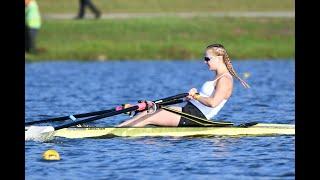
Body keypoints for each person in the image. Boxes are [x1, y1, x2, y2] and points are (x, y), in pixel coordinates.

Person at [117, 44, 250, 127]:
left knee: (149, 115)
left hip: (196, 117)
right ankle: (124, 125)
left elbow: (213, 103)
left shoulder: (225, 79)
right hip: (189, 109)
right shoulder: (218, 77)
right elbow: (205, 98)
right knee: (150, 109)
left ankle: (115, 132)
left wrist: (196, 96)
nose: (205, 62)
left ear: (218, 59)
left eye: (207, 59)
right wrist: (192, 97)